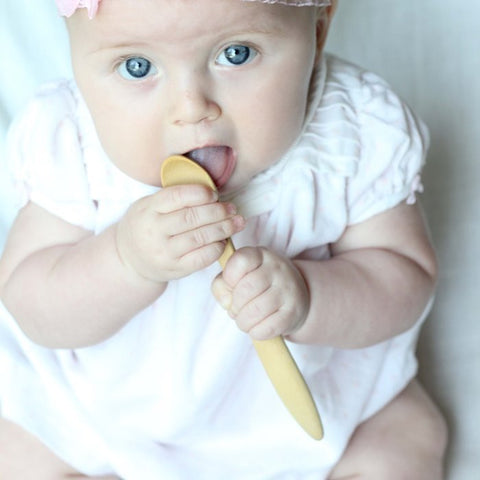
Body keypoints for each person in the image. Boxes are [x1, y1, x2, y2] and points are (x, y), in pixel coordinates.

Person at [0, 0, 447, 478]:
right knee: (19, 449)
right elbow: (31, 301)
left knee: (408, 437)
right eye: (138, 66)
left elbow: (406, 278)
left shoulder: (353, 131)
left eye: (236, 54)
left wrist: (310, 297)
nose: (191, 108)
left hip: (324, 403)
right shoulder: (72, 143)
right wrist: (124, 261)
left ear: (318, 31)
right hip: (100, 410)